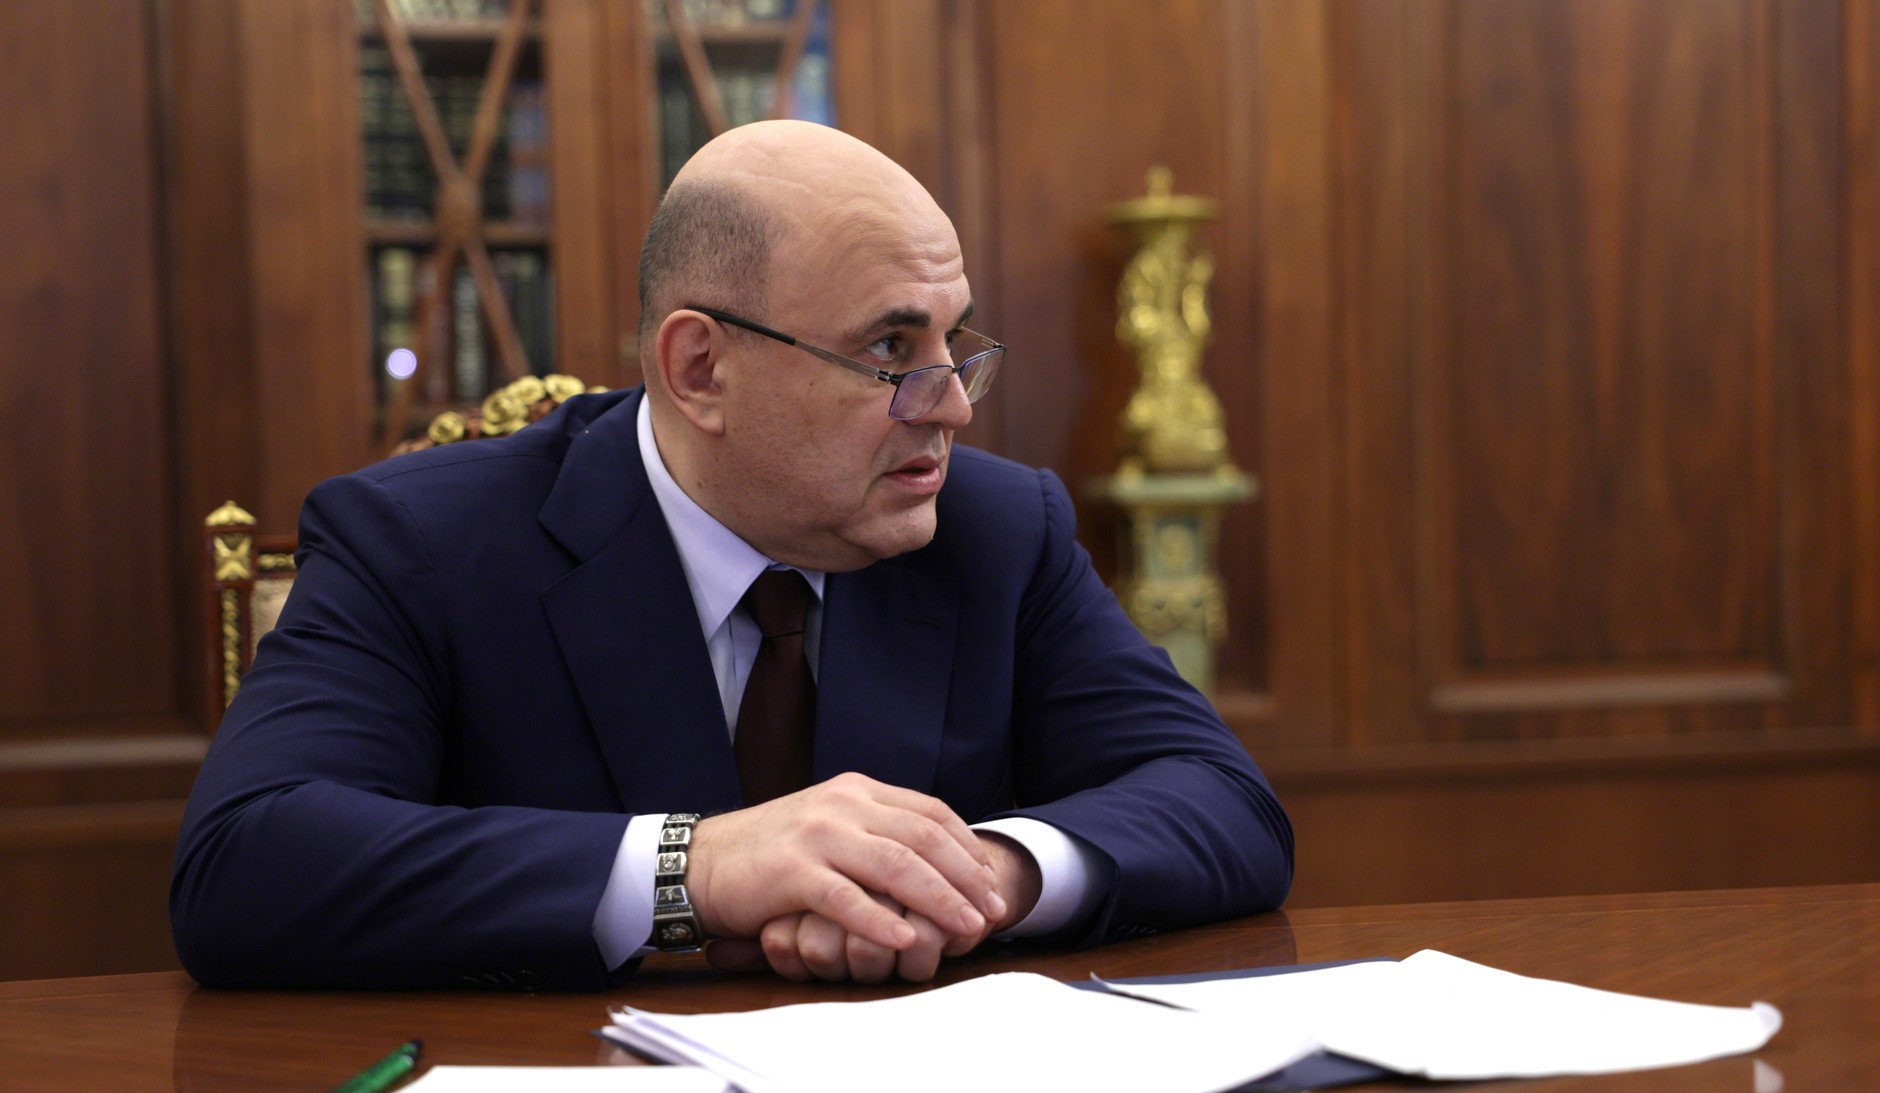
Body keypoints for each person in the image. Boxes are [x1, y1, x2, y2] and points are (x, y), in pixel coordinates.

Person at [171, 121, 1292, 991]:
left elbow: (1224, 802)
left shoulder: (996, 529)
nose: (952, 405)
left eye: (956, 342)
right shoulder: (421, 543)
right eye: (890, 349)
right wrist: (697, 868)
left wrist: (981, 876)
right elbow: (245, 863)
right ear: (699, 370)